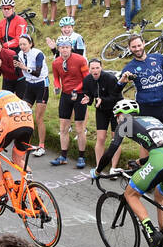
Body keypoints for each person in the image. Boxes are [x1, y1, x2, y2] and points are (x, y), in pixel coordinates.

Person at [94, 100, 163, 247]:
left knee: (131, 194)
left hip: (160, 160)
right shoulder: (151, 120)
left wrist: (97, 171)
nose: (117, 120)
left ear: (121, 115)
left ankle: (152, 233)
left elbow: (110, 152)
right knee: (160, 196)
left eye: (117, 117)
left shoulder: (125, 122)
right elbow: (162, 145)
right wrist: (139, 162)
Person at [118, 34, 163, 129]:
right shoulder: (129, 68)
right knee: (148, 141)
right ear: (129, 48)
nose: (137, 49)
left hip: (162, 106)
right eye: (133, 47)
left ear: (144, 44)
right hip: (144, 108)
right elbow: (117, 90)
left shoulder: (158, 58)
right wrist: (121, 82)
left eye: (139, 45)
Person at [49, 40, 90, 168]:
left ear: (71, 48)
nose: (64, 50)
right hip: (66, 95)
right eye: (62, 48)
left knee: (79, 128)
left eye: (67, 47)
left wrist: (76, 89)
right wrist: (56, 86)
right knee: (63, 128)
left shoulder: (80, 60)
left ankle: (81, 157)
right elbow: (56, 78)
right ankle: (63, 156)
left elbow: (87, 78)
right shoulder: (56, 62)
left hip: (80, 94)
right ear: (59, 49)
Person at [82, 57, 122, 167]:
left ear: (101, 68)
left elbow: (117, 97)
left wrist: (102, 100)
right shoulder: (87, 80)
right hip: (101, 110)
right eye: (93, 68)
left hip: (116, 110)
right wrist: (88, 99)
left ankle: (113, 167)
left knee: (116, 139)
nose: (95, 70)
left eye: (97, 68)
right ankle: (99, 167)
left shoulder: (110, 78)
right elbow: (88, 94)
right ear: (89, 69)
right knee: (100, 138)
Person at [15, 34, 50, 154]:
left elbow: (37, 72)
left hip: (41, 84)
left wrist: (25, 68)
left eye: (24, 44)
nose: (22, 46)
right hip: (29, 85)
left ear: (30, 44)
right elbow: (20, 70)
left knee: (38, 117)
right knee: (24, 113)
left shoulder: (37, 53)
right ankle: (25, 142)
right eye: (20, 44)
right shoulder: (20, 54)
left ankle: (41, 146)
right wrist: (18, 67)